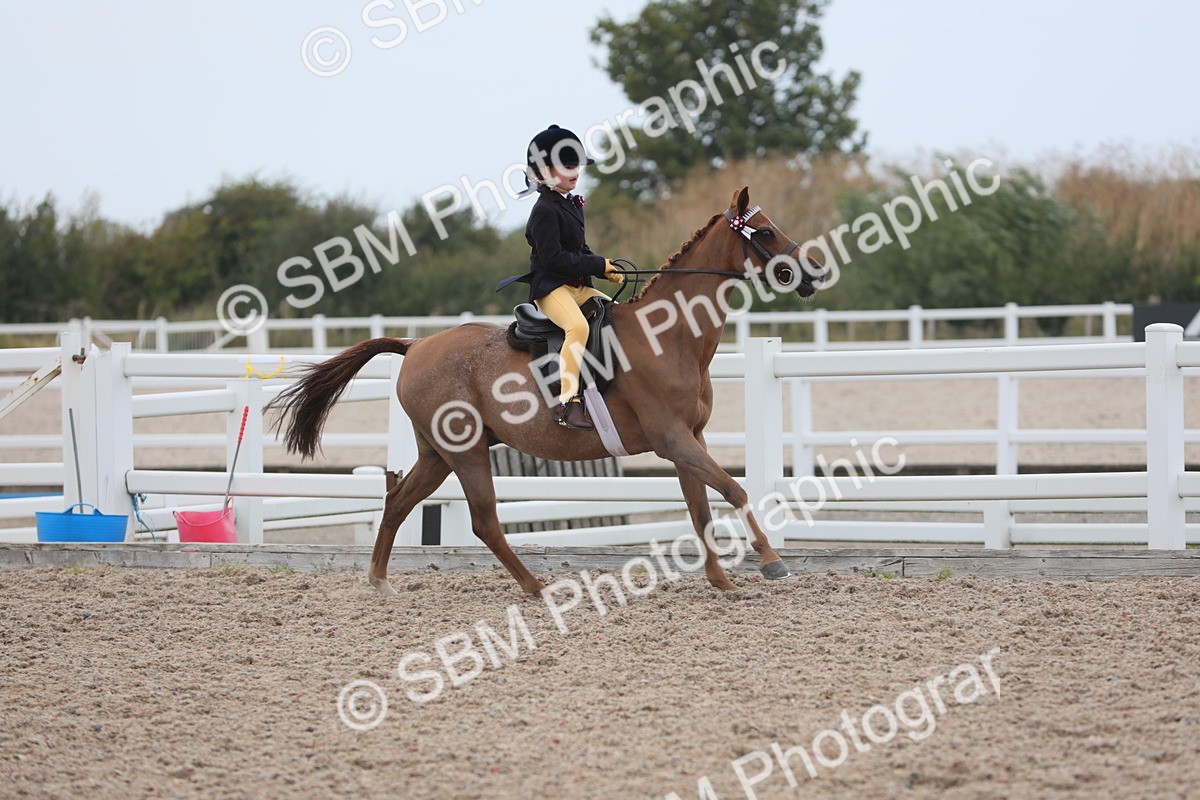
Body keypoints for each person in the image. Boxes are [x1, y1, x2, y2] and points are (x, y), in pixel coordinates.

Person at [497, 124, 625, 430]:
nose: (575, 172)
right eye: (569, 166)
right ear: (544, 171)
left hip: (578, 287)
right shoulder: (543, 211)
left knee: (620, 316)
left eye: (576, 166)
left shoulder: (571, 205)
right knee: (577, 327)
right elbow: (554, 260)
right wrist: (595, 264)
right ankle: (568, 401)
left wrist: (605, 269)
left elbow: (580, 249)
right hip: (551, 288)